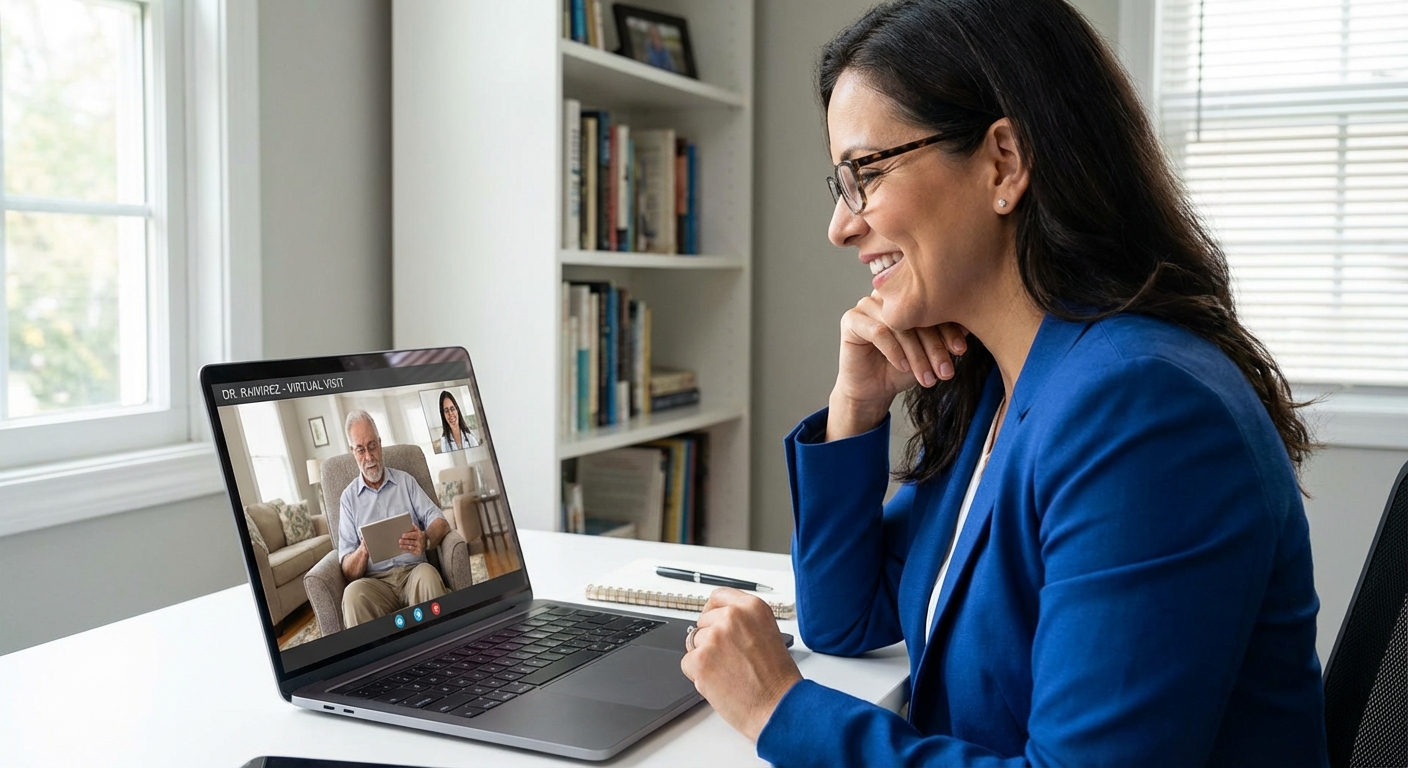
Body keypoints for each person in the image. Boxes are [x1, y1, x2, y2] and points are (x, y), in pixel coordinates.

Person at [678, 1, 1328, 765]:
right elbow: (845, 619)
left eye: (868, 174)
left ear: (1003, 163)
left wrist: (778, 710)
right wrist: (857, 407)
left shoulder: (1141, 410)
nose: (841, 226)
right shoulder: (1009, 383)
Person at [338, 410, 449, 627]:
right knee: (352, 594)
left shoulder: (406, 482)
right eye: (361, 450)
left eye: (372, 446)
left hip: (413, 574)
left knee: (428, 574)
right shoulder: (348, 499)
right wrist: (363, 551)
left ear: (380, 444)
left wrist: (425, 539)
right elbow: (347, 569)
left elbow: (440, 521)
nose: (369, 457)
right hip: (375, 584)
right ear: (353, 451)